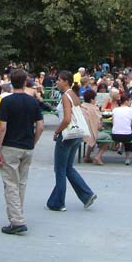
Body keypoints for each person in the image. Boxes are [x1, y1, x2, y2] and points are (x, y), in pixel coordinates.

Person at [0, 68, 44, 235]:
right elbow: (41, 126)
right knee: (21, 183)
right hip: (27, 146)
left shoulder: (6, 102)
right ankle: (17, 215)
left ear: (10, 82)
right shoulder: (33, 102)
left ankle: (16, 220)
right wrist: (33, 141)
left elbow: (2, 127)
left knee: (10, 183)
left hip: (10, 145)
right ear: (25, 82)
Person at [46, 70, 97, 211]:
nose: (57, 82)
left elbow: (67, 118)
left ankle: (58, 203)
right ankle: (86, 195)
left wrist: (57, 131)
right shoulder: (74, 95)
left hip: (67, 134)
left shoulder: (65, 96)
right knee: (68, 168)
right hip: (77, 134)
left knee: (60, 169)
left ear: (66, 82)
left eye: (59, 80)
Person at [80, 89, 110, 165]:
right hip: (90, 134)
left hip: (81, 133)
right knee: (108, 137)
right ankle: (98, 156)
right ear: (92, 99)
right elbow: (99, 127)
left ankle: (87, 156)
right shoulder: (94, 109)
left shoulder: (81, 107)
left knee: (93, 133)